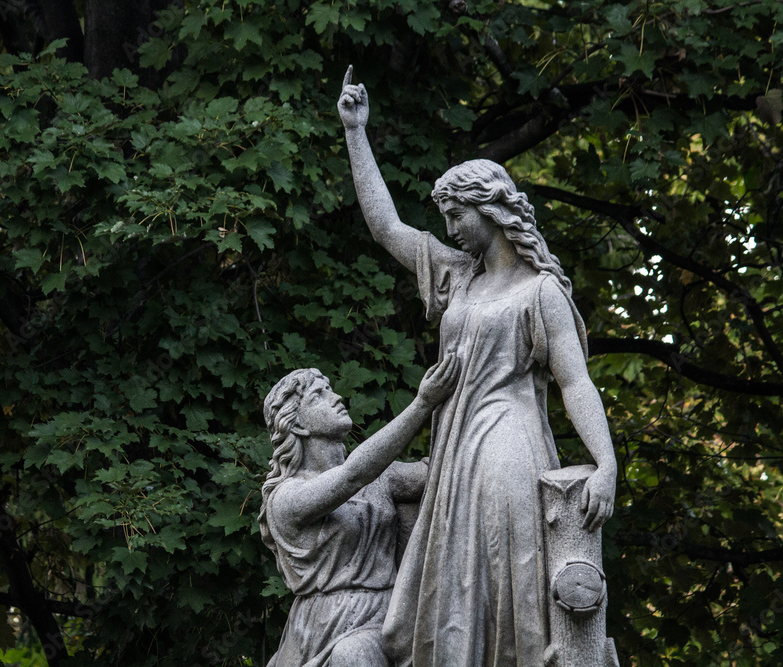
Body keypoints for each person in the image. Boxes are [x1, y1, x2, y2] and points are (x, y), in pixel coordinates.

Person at [336, 66, 618, 667]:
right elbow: (386, 227)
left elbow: (575, 381)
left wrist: (606, 464)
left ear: (489, 210)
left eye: (457, 218)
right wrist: (356, 132)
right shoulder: (459, 277)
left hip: (509, 446)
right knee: (455, 590)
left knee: (503, 576)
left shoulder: (540, 293)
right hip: (455, 450)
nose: (450, 231)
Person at [260, 358, 458, 667]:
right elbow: (353, 475)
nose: (336, 398)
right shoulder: (285, 497)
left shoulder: (383, 477)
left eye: (331, 390)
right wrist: (422, 404)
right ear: (297, 424)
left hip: (387, 617)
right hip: (321, 627)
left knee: (358, 653)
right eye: (319, 395)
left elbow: (448, 472)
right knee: (351, 654)